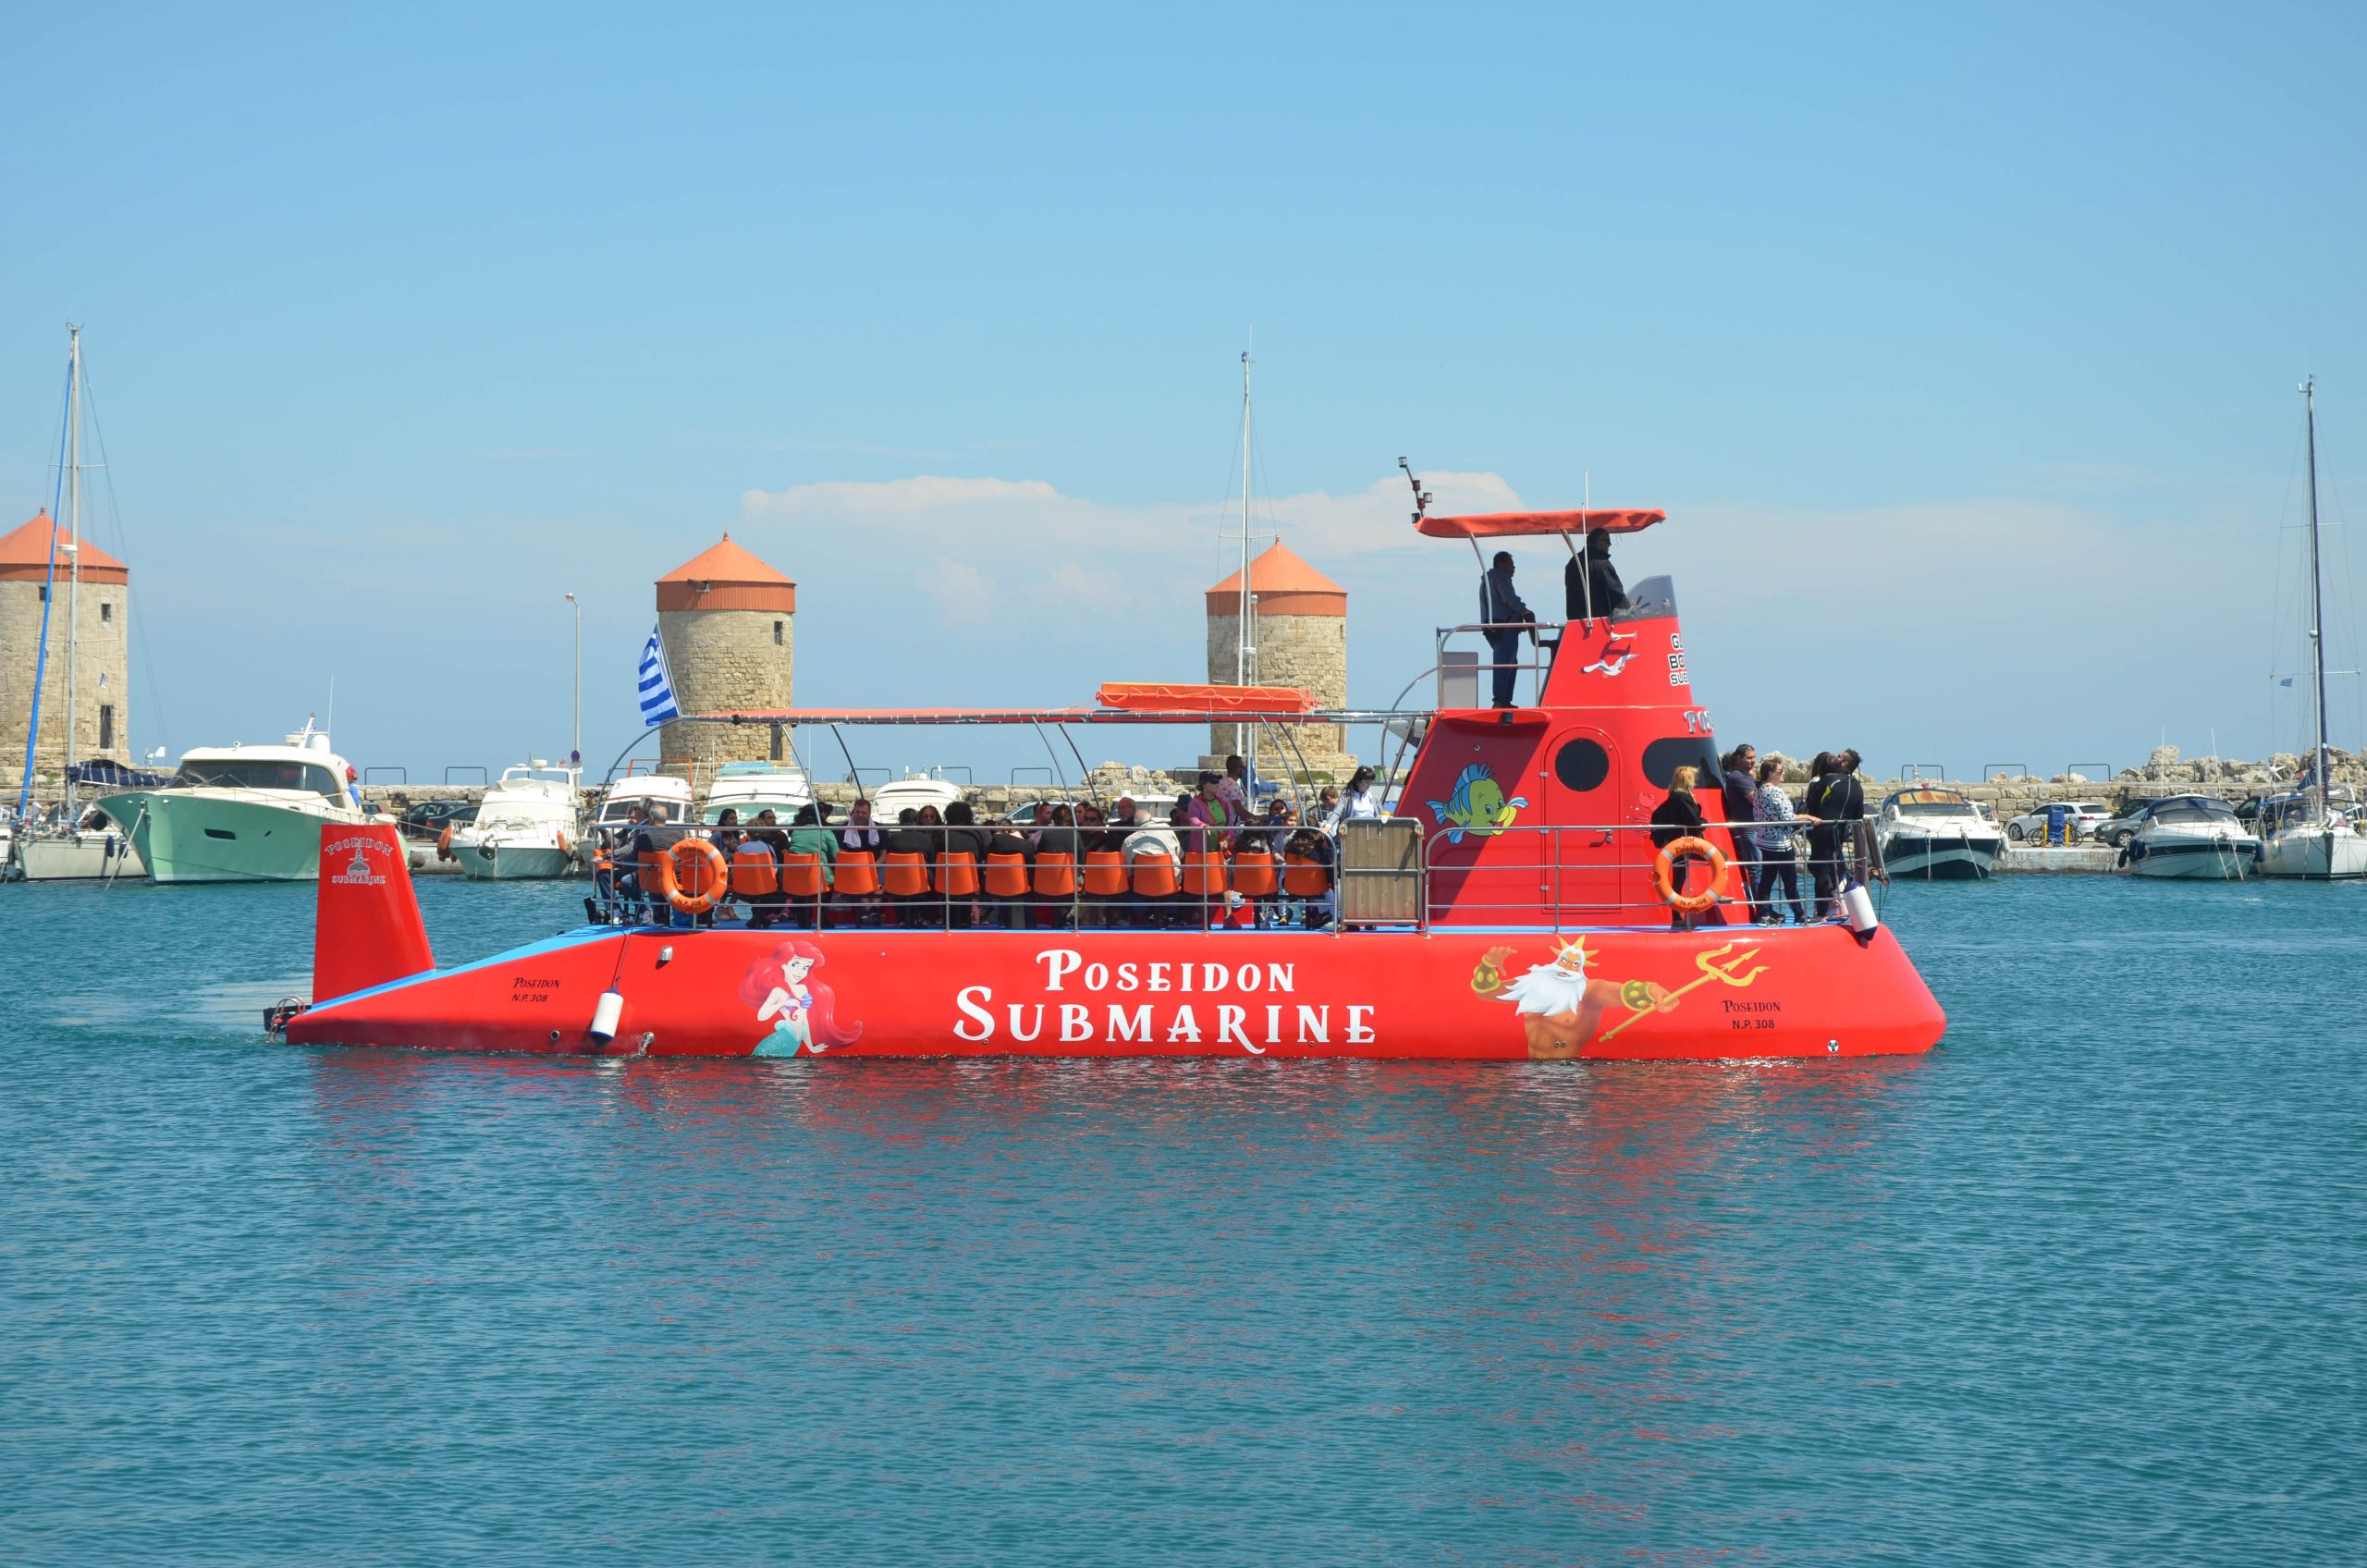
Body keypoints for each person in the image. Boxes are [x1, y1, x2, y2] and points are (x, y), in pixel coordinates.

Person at [1750, 758, 1815, 925]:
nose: (1783, 773)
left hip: (1764, 841)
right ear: (1771, 773)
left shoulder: (1759, 791)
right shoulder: (1775, 792)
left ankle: (1763, 913)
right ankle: (1799, 914)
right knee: (1790, 881)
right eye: (1780, 771)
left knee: (1767, 879)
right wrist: (1807, 817)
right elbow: (1787, 818)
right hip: (1779, 843)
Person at [1650, 766, 1710, 928]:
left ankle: (1676, 917)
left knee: (1679, 878)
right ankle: (1715, 893)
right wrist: (1705, 822)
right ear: (1688, 779)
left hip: (1676, 842)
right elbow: (1693, 821)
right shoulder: (1682, 797)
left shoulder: (1674, 796)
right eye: (1694, 778)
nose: (1696, 781)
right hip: (1683, 843)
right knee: (1717, 858)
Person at [1479, 550, 1535, 708]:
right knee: (1506, 662)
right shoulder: (1501, 579)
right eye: (1511, 564)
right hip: (1505, 626)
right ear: (1501, 564)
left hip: (1492, 628)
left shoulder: (1487, 580)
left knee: (1507, 662)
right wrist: (1524, 611)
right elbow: (1509, 599)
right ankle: (1501, 700)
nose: (1514, 567)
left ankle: (1502, 699)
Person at [1720, 744, 1760, 913]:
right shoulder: (1738, 778)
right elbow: (1756, 800)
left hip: (1753, 828)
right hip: (1747, 829)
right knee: (1756, 869)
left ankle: (1762, 906)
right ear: (1738, 759)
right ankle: (1761, 909)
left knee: (1759, 868)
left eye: (1754, 758)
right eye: (1749, 758)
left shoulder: (1746, 777)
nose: (1753, 761)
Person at [1564, 526, 1630, 623]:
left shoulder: (1574, 562)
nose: (1610, 544)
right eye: (1607, 541)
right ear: (1599, 541)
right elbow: (1616, 594)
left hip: (1576, 623)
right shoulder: (1602, 564)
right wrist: (1629, 609)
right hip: (1598, 624)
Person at [882, 807, 934, 927]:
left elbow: (889, 859)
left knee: (897, 881)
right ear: (916, 821)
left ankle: (902, 919)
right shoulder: (926, 838)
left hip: (898, 881)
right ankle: (921, 917)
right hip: (921, 880)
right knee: (932, 878)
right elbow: (931, 861)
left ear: (900, 822)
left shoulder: (893, 839)